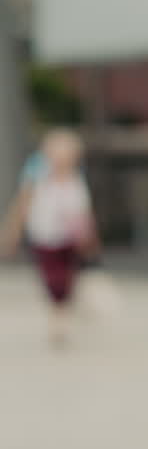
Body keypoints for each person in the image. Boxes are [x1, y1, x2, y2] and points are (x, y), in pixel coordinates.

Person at [1, 129, 99, 347]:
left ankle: (61, 314)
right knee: (53, 279)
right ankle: (58, 317)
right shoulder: (37, 177)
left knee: (67, 279)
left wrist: (90, 238)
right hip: (44, 237)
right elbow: (22, 206)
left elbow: (83, 212)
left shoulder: (76, 178)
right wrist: (11, 234)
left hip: (69, 239)